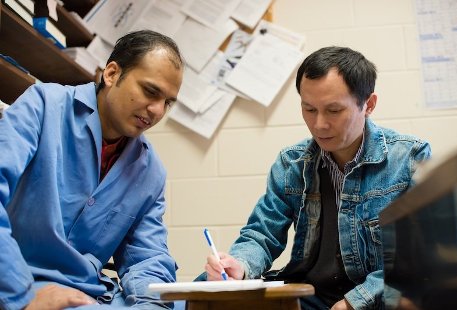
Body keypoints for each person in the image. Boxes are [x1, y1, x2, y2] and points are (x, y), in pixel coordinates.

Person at [203, 46, 431, 309]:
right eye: (309, 109)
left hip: (376, 296)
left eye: (333, 111)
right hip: (312, 296)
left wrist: (355, 302)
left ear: (368, 104)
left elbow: (418, 257)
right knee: (209, 287)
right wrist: (239, 266)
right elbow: (262, 234)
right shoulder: (292, 163)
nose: (319, 124)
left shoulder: (409, 157)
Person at [0, 30, 183, 309]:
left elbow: (147, 257)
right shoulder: (43, 105)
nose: (157, 110)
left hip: (91, 294)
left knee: (187, 304)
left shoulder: (151, 171)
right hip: (20, 281)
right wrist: (22, 296)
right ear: (111, 74)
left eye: (167, 102)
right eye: (150, 91)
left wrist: (150, 305)